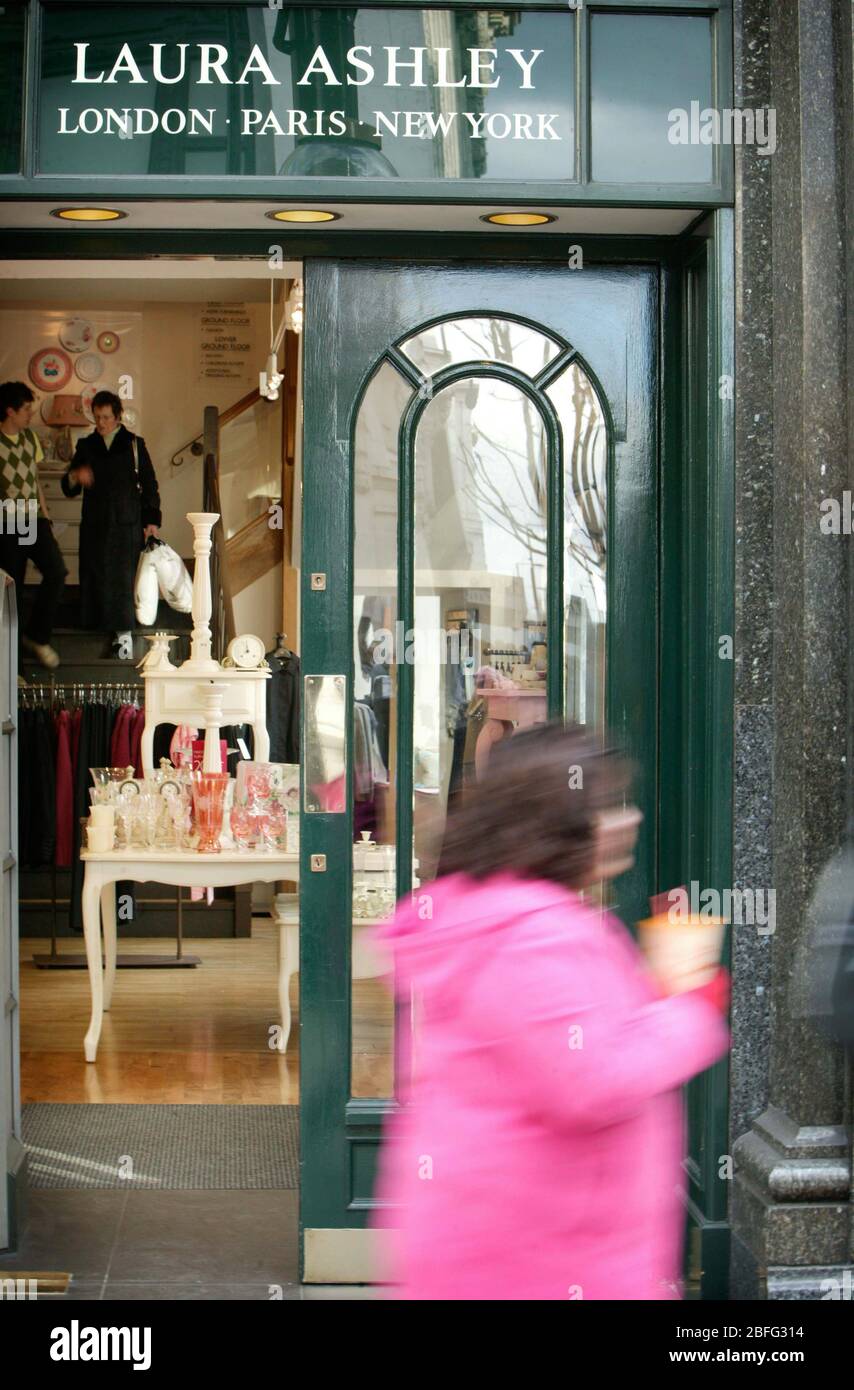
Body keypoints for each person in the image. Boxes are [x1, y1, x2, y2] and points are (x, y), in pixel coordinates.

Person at [371, 722, 731, 1300]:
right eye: (610, 807)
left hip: (507, 1246)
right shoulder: (536, 936)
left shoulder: (497, 919)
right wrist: (688, 1010)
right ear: (557, 825)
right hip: (542, 1257)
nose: (630, 818)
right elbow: (592, 1079)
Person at [62, 391, 161, 648]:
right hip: (95, 521)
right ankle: (94, 627)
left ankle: (123, 631)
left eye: (106, 417)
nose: (102, 422)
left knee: (123, 577)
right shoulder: (86, 445)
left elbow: (149, 484)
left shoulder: (134, 444)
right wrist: (75, 476)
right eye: (97, 417)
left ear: (118, 417)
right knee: (95, 572)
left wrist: (151, 521)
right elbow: (68, 486)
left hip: (127, 521)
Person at [0, 380, 67, 671]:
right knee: (10, 594)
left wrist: (45, 511)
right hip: (6, 521)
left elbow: (33, 479)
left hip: (33, 518)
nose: (30, 414)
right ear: (9, 411)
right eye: (26, 409)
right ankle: (14, 670)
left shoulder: (30, 439)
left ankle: (36, 636)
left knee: (56, 571)